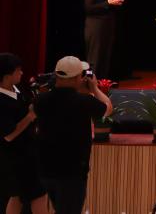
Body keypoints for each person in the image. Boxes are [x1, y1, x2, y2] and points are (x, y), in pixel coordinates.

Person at [33, 56, 112, 214]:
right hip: (72, 171)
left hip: (45, 168)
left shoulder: (40, 100)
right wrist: (95, 88)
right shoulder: (84, 101)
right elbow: (108, 108)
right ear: (78, 77)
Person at [0, 53, 47, 214]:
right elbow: (8, 135)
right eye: (18, 70)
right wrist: (30, 116)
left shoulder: (17, 90)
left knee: (18, 197)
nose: (21, 73)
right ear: (7, 75)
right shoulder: (1, 100)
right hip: (14, 158)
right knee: (36, 195)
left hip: (27, 153)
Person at [83, 0, 124, 80]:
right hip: (95, 27)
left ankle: (102, 84)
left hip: (108, 25)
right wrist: (107, 3)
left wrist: (117, 1)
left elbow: (112, 0)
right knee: (94, 58)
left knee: (105, 57)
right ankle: (90, 84)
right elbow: (88, 8)